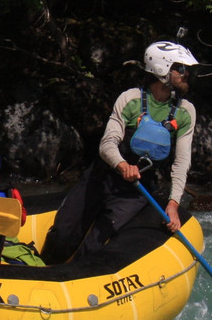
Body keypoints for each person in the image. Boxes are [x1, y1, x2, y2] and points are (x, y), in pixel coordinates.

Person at [40, 40, 199, 264]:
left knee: (95, 245)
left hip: (136, 190)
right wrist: (122, 165)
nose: (187, 75)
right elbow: (107, 143)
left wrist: (173, 203)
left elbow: (182, 162)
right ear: (163, 70)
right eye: (182, 69)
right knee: (63, 235)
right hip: (101, 177)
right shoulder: (130, 99)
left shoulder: (185, 112)